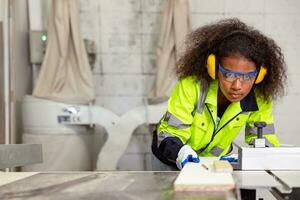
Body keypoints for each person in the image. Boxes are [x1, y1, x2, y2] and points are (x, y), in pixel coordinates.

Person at [151, 18, 287, 170]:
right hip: (171, 158)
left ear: (260, 75)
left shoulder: (259, 99)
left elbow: (265, 141)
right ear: (213, 68)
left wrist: (251, 157)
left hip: (212, 162)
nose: (237, 86)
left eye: (247, 77)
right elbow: (169, 134)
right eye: (228, 75)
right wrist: (180, 153)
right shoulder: (192, 86)